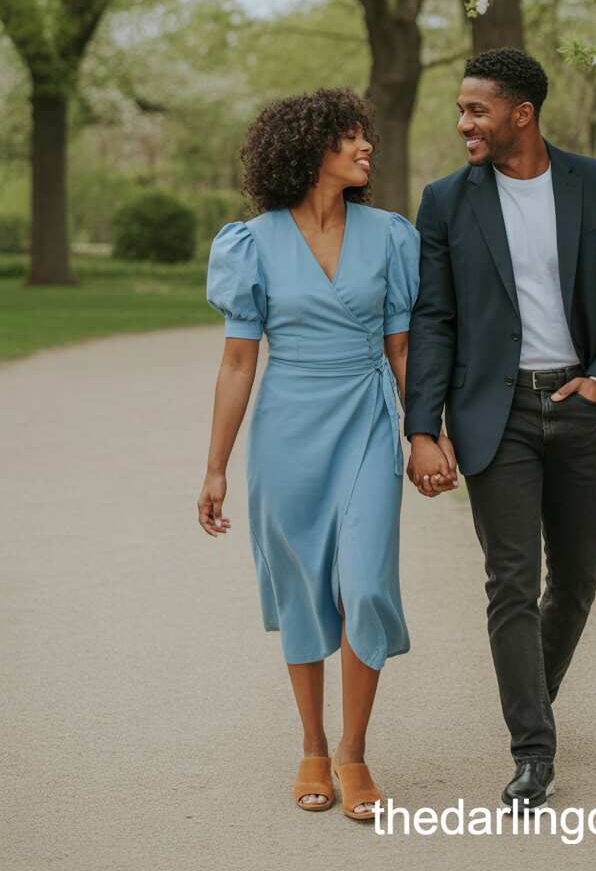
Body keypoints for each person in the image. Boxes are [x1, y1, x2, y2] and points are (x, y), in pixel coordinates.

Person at [404, 49, 596, 810]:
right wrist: (423, 426)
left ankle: (530, 700)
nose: (462, 125)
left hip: (578, 404)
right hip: (496, 413)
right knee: (512, 580)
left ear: (522, 114)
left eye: (476, 111)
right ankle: (533, 751)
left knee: (577, 580)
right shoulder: (446, 201)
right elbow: (435, 319)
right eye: (460, 110)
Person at [198, 87, 433, 821]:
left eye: (367, 136)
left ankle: (355, 753)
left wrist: (425, 430)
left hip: (365, 418)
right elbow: (239, 363)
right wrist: (214, 467)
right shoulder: (251, 243)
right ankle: (313, 743)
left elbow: (402, 349)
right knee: (302, 587)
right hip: (287, 428)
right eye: (351, 138)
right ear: (310, 150)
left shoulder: (392, 235)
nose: (367, 148)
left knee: (363, 585)